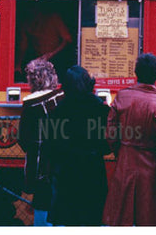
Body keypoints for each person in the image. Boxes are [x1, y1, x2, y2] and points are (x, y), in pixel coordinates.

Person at [102, 53, 156, 226]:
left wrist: (119, 151)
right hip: (152, 162)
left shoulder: (122, 96)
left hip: (125, 161)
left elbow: (110, 133)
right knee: (151, 217)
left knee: (122, 216)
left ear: (136, 73)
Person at [46, 66, 110, 226]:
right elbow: (108, 142)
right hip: (93, 168)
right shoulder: (99, 107)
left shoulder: (59, 110)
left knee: (70, 219)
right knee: (92, 218)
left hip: (67, 170)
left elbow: (51, 144)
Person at [18, 59, 64, 226]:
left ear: (32, 80)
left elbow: (23, 140)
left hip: (40, 163)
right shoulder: (62, 97)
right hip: (63, 159)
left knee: (41, 201)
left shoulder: (30, 105)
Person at [15, 8, 73, 83]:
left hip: (57, 60)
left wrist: (51, 54)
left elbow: (68, 40)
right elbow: (23, 45)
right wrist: (18, 64)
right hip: (37, 61)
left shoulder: (54, 18)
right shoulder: (27, 22)